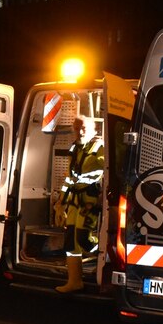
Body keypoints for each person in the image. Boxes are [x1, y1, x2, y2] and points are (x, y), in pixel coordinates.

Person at [54, 115, 105, 293]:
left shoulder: (101, 147)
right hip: (74, 201)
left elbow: (111, 174)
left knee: (84, 239)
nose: (80, 131)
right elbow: (69, 178)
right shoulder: (75, 148)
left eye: (83, 128)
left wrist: (101, 200)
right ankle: (75, 281)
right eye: (76, 128)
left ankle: (108, 253)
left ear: (94, 130)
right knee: (70, 243)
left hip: (90, 200)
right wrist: (61, 203)